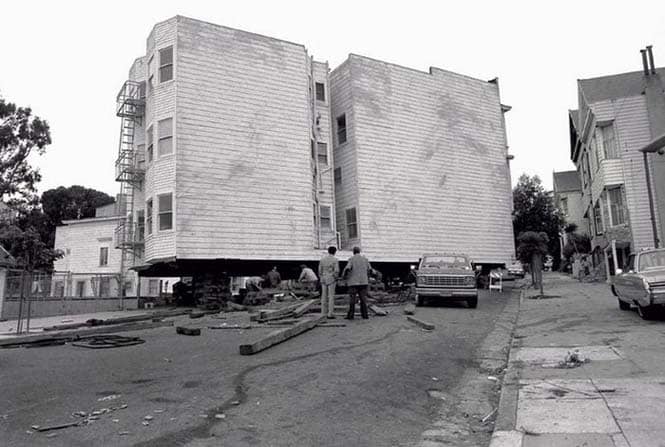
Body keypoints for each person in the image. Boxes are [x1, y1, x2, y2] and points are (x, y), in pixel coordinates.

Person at [342, 246, 372, 320]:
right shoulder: (365, 259)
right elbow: (370, 270)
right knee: (363, 299)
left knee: (352, 299)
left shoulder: (351, 259)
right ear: (359, 251)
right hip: (363, 282)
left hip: (353, 282)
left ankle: (351, 315)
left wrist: (344, 277)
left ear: (353, 252)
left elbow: (347, 268)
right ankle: (365, 315)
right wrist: (367, 277)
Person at [318, 246, 340, 318]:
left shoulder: (322, 259)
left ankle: (323, 313)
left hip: (323, 278)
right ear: (335, 252)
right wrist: (336, 278)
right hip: (331, 278)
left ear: (328, 251)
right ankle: (330, 313)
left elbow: (319, 270)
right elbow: (336, 270)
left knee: (323, 296)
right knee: (331, 296)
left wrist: (321, 277)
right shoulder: (335, 260)